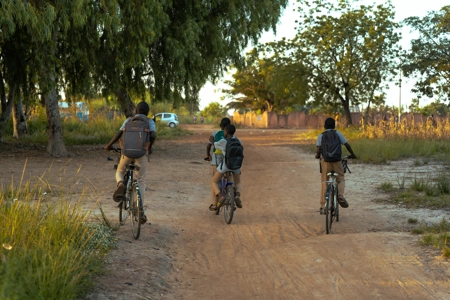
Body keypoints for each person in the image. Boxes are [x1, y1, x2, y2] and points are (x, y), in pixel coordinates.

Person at [104, 102, 156, 224]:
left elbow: (119, 133)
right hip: (141, 154)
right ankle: (140, 210)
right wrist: (149, 147)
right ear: (147, 112)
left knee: (120, 171)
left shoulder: (129, 120)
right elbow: (153, 134)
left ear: (136, 110)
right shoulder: (150, 122)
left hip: (126, 154)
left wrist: (109, 145)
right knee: (141, 180)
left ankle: (121, 183)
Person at [315, 118, 356, 215]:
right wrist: (353, 155)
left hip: (326, 161)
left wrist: (317, 155)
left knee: (324, 181)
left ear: (324, 126)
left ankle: (323, 206)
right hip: (337, 161)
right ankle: (340, 195)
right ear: (334, 126)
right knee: (340, 178)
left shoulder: (321, 135)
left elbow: (319, 148)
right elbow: (347, 145)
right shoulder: (338, 134)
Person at [210, 124, 242, 211]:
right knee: (238, 182)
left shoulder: (223, 142)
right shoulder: (239, 141)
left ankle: (220, 197)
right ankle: (237, 195)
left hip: (225, 166)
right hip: (236, 166)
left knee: (214, 181)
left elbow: (215, 145)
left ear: (226, 132)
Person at [205, 118, 231, 207]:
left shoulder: (215, 133)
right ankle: (231, 197)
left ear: (220, 126)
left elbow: (208, 146)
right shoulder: (231, 135)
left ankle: (214, 204)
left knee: (215, 181)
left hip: (216, 161)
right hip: (229, 161)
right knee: (229, 179)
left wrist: (208, 154)